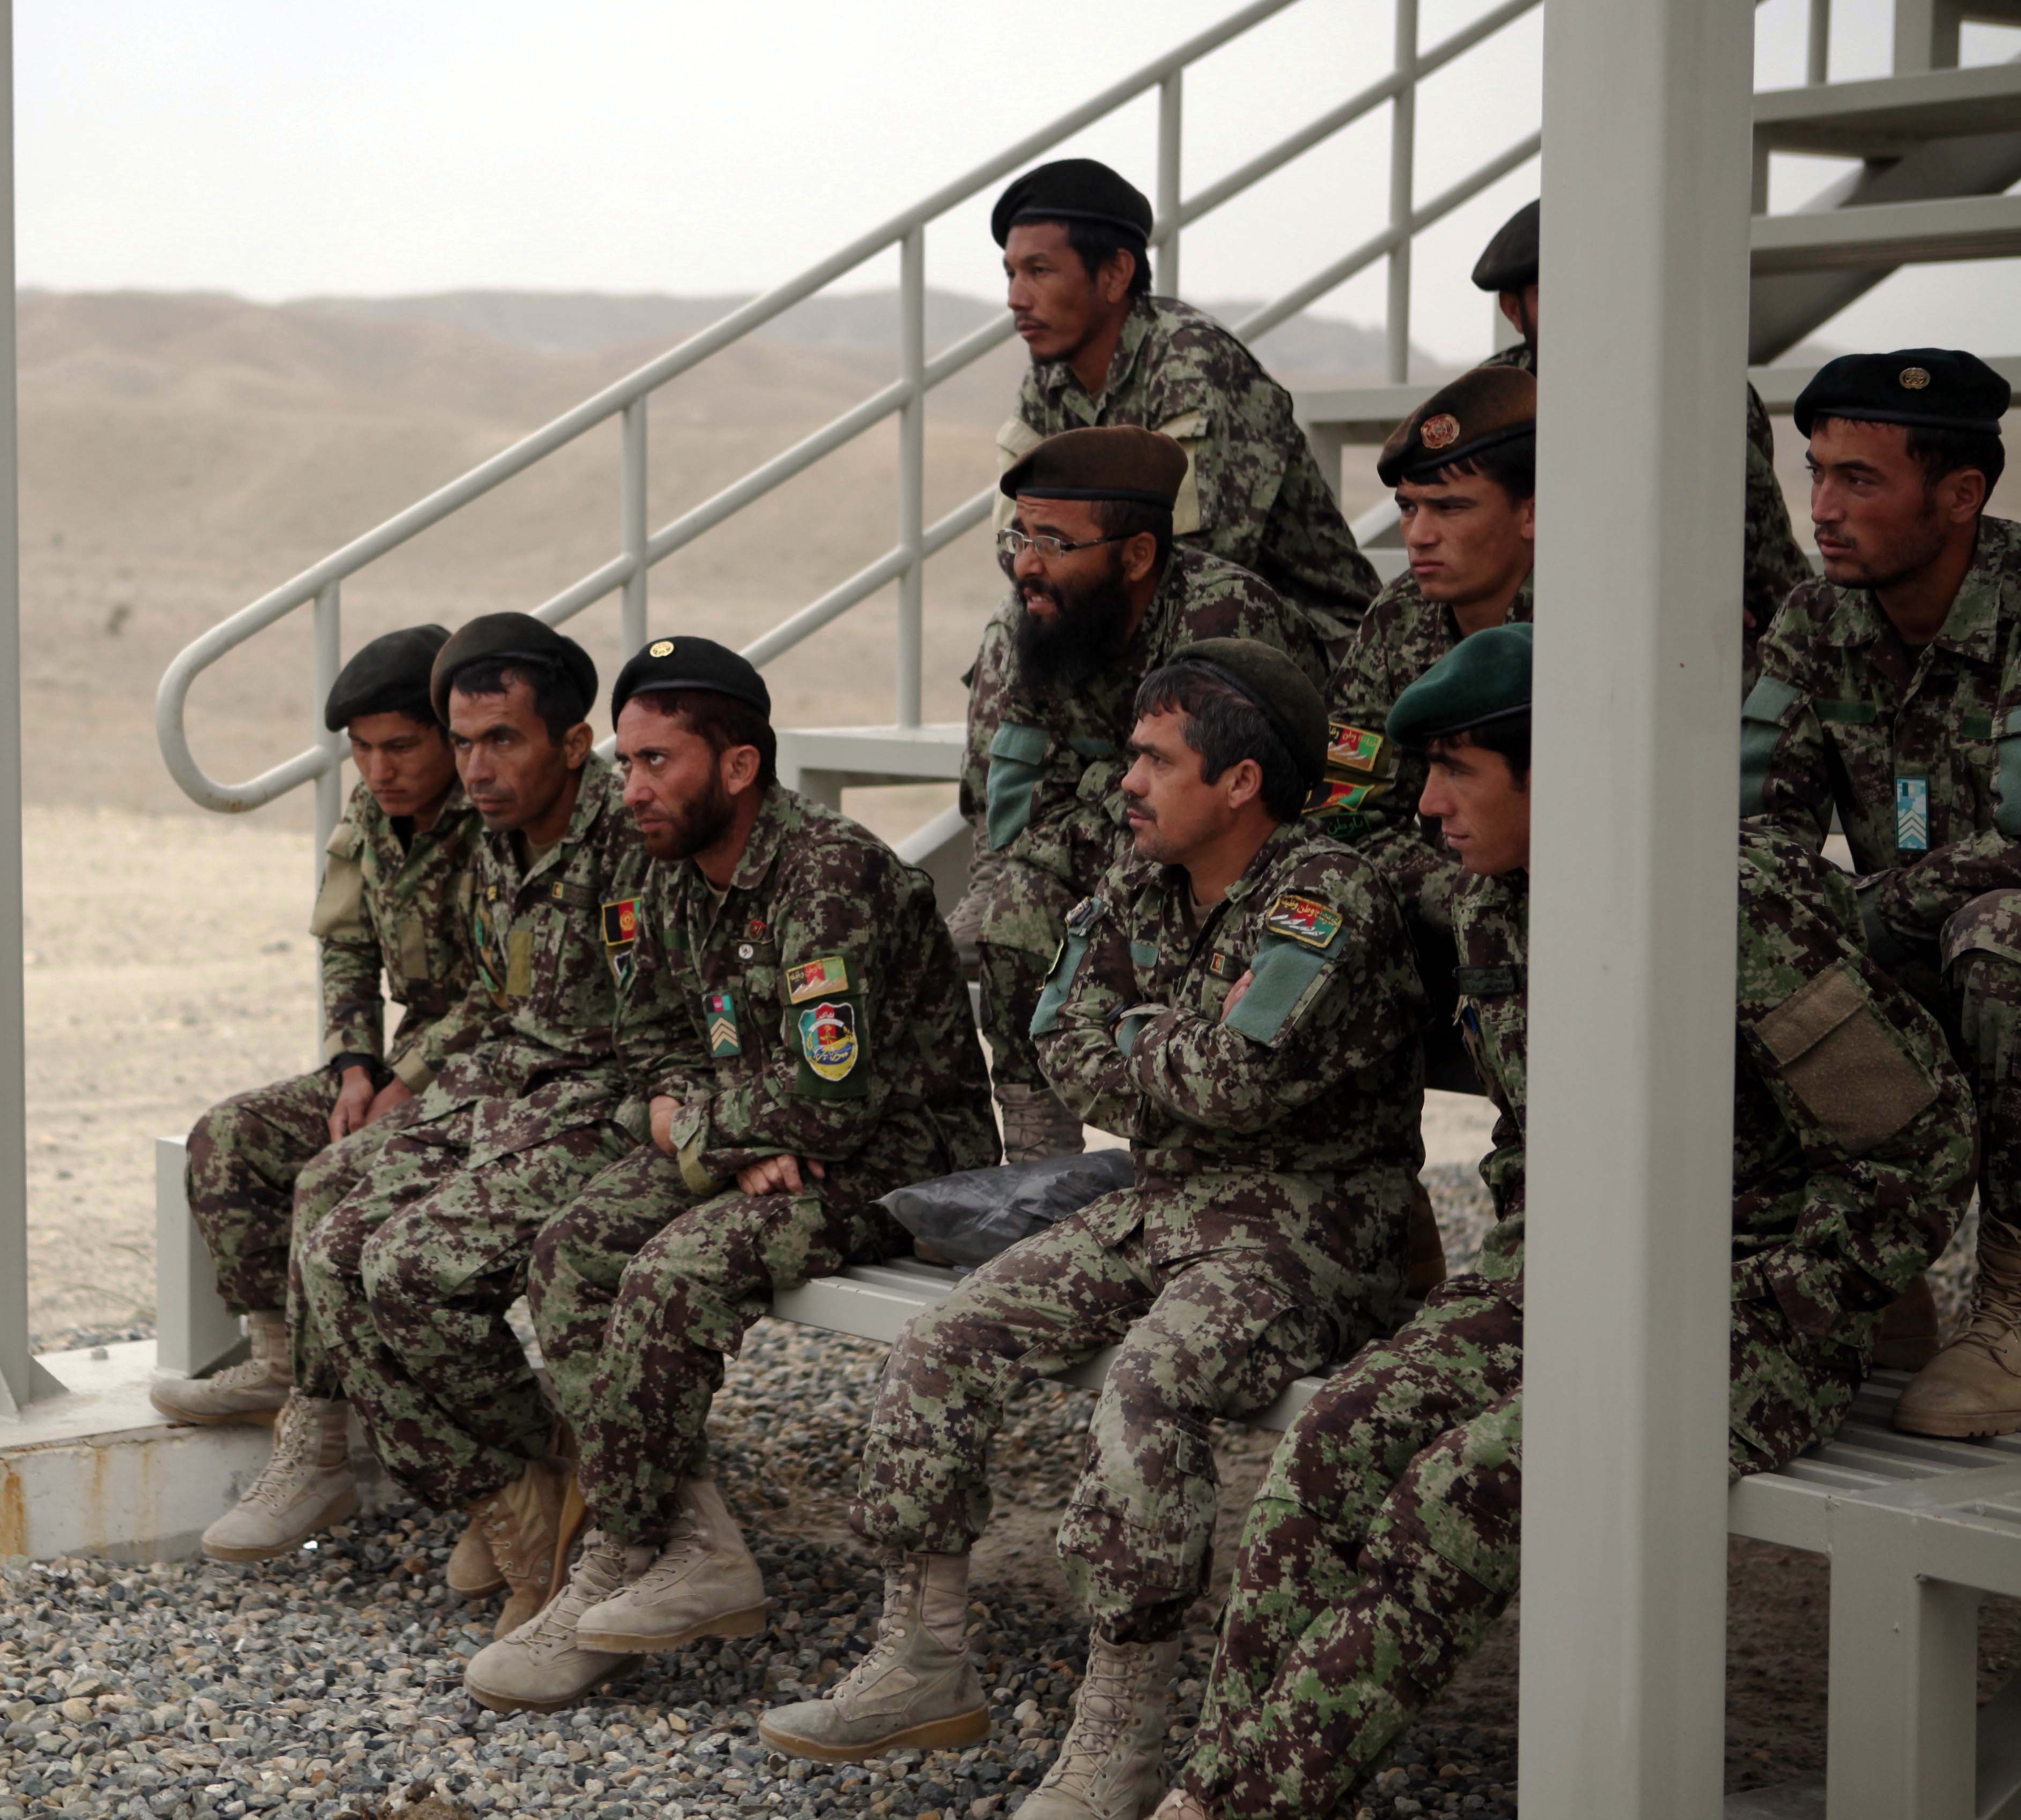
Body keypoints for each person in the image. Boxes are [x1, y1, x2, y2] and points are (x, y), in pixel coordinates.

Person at [1163, 626, 1972, 1820]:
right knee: (1326, 1446)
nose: (1426, 803)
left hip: (1748, 1312)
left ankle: (1235, 1806)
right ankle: (1222, 1791)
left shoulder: (1730, 905)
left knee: (1465, 1488)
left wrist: (1781, 1300)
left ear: (1572, 768)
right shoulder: (1503, 896)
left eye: (1456, 772)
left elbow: (1920, 1144)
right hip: (1559, 1282)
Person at [762, 642, 1424, 1820]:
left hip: (1312, 1224)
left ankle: (1123, 1722)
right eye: (1130, 753)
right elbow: (1060, 1035)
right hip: (1166, 1194)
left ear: (1239, 785)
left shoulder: (1329, 899)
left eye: (1154, 760)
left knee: (1151, 1388)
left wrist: (1141, 1043)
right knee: (944, 1346)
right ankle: (925, 1657)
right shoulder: (1138, 882)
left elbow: (1235, 1084)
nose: (1127, 782)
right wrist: (1160, 1044)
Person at [463, 638, 998, 1712]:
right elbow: (650, 1049)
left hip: (897, 1167)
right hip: (761, 1139)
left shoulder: (827, 876)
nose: (635, 788)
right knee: (570, 1249)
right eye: (626, 762)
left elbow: (834, 1100)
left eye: (659, 762)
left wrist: (706, 1124)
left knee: (673, 1273)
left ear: (741, 766)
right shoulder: (667, 873)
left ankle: (623, 1552)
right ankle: (676, 1544)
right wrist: (705, 1128)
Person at [208, 615, 645, 1640]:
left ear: (572, 743)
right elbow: (390, 961)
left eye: (494, 741)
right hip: (511, 1076)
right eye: (463, 744)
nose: (474, 768)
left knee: (396, 1258)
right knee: (323, 1196)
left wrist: (418, 1081)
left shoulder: (620, 830)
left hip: (601, 1100)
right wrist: (363, 1063)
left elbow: (614, 1024)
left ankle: (542, 1492)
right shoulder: (494, 831)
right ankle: (509, 1488)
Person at [1743, 348, 2021, 1433]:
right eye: (1815, 473)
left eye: (1859, 481)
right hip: (1918, 947)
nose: (1822, 508)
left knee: (2003, 937)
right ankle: (1873, 1267)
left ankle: (2011, 1292)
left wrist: (1880, 908)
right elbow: (1757, 835)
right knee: (1745, 926)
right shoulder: (1819, 622)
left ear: (1961, 495)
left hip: (2003, 959)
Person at [150, 623, 483, 1429]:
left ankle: (324, 1408)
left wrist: (409, 1081)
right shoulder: (375, 810)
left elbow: (516, 989)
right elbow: (346, 945)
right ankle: (277, 1361)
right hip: (403, 1062)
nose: (379, 770)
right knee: (229, 1137)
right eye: (362, 750)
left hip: (489, 1069)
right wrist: (356, 1068)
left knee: (333, 1179)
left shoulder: (499, 814)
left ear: (451, 733)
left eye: (401, 746)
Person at [956, 425, 1317, 1156]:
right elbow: (1007, 801)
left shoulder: (1222, 621)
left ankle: (1212, 1162)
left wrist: (1097, 838)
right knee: (1003, 912)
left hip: (1228, 870)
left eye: (1054, 543)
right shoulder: (1024, 627)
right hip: (1116, 852)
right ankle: (1037, 1152)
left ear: (1138, 556)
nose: (1027, 565)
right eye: (1019, 538)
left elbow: (1251, 804)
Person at [993, 157, 1375, 659]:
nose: (1016, 298)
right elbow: (1016, 549)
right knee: (1013, 627)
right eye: (1011, 274)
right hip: (1156, 626)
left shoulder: (1192, 360)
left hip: (1306, 640)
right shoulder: (1048, 381)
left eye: (1038, 271)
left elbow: (1196, 557)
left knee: (1188, 607)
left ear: (1114, 274)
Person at [1468, 196, 1806, 678]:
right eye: (1560, 293)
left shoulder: (1701, 395)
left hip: (1668, 651)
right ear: (1514, 311)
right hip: (1516, 645)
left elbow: (1763, 571)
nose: (1586, 311)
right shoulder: (1490, 401)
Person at [1310, 365, 1534, 895]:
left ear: (1532, 511)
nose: (1419, 536)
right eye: (1408, 508)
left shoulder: (1603, 618)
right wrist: (1464, 901)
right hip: (1451, 907)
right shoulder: (1399, 617)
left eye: (1450, 508)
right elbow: (1344, 807)